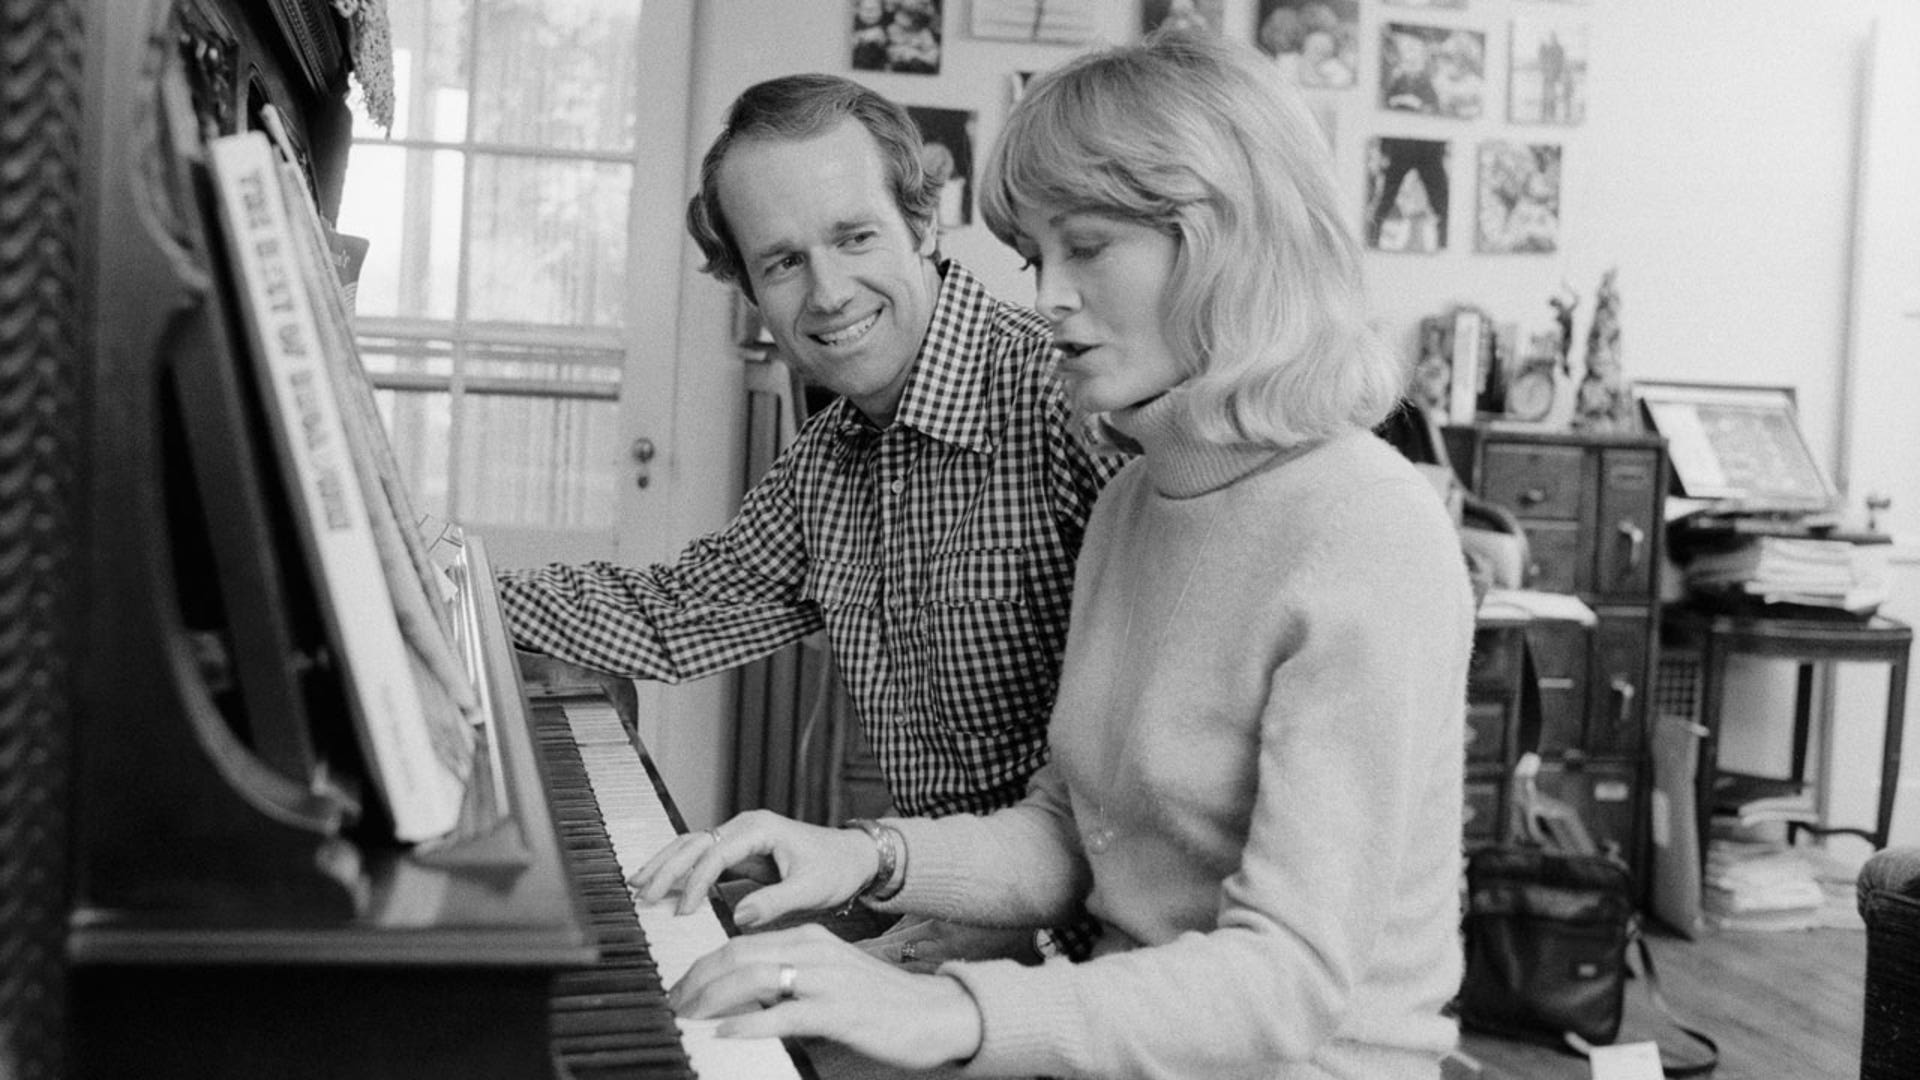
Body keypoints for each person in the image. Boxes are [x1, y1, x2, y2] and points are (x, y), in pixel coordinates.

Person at [633, 32, 1476, 1080]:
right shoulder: (1137, 501)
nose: (1045, 298)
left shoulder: (1368, 529)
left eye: (1088, 248)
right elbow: (1075, 839)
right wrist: (864, 853)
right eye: (1039, 258)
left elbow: (1290, 982)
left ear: (1222, 240)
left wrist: (951, 1015)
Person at [496, 73, 1123, 953]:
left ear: (923, 222)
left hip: (1083, 950)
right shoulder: (827, 464)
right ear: (748, 286)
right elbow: (670, 614)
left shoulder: (1067, 400)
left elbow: (1170, 796)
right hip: (935, 897)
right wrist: (427, 580)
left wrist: (927, 916)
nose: (827, 294)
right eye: (782, 262)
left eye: (854, 237)